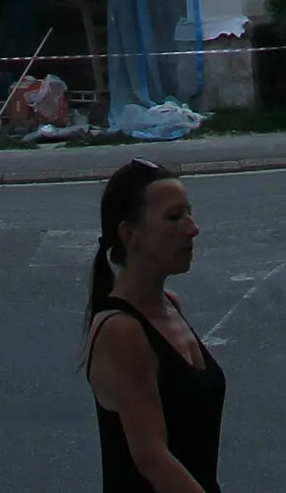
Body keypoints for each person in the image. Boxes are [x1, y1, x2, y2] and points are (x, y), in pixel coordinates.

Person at [84, 158, 226, 493]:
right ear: (129, 234)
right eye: (174, 218)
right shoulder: (122, 331)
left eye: (189, 213)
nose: (193, 228)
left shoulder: (170, 306)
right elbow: (152, 458)